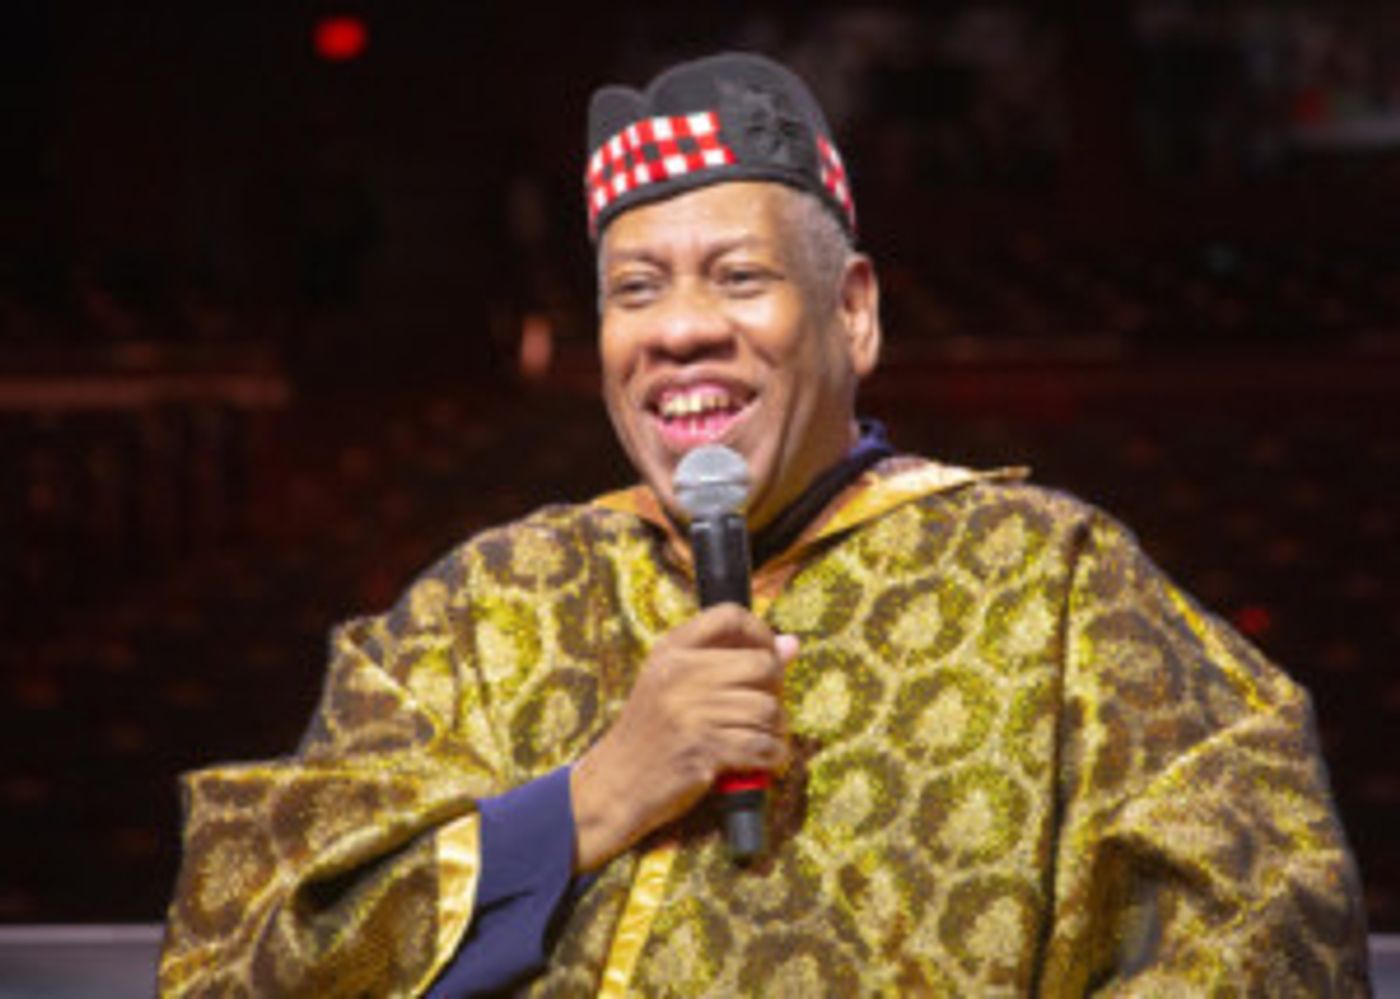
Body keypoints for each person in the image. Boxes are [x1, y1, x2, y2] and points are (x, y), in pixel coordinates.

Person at [159, 53, 1371, 996]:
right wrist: (595, 797)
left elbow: (1271, 932)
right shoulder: (478, 612)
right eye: (635, 290)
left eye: (738, 277)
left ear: (851, 313)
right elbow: (248, 954)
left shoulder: (1055, 585)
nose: (679, 328)